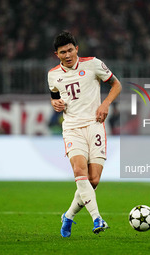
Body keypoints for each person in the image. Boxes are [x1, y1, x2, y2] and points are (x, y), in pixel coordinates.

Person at [48, 31, 122, 237]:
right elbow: (54, 97)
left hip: (95, 124)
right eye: (63, 52)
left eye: (71, 50)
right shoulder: (53, 75)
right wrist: (54, 103)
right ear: (57, 54)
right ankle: (97, 218)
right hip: (72, 128)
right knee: (79, 170)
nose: (68, 54)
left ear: (77, 49)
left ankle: (68, 216)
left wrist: (105, 104)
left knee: (94, 180)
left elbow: (116, 84)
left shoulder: (93, 64)